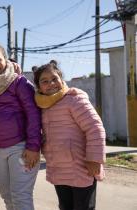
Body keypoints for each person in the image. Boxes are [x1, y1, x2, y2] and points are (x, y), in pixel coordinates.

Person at [33, 60, 106, 210]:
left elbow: (95, 128)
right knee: (65, 207)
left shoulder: (74, 99)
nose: (51, 84)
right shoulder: (42, 105)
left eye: (54, 79)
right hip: (58, 169)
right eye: (45, 81)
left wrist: (94, 159)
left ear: (61, 79)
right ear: (39, 87)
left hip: (82, 168)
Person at [0, 43, 42, 210]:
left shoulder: (19, 82)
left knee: (20, 197)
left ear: (6, 60)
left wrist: (34, 146)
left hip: (21, 147)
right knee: (7, 197)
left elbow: (34, 114)